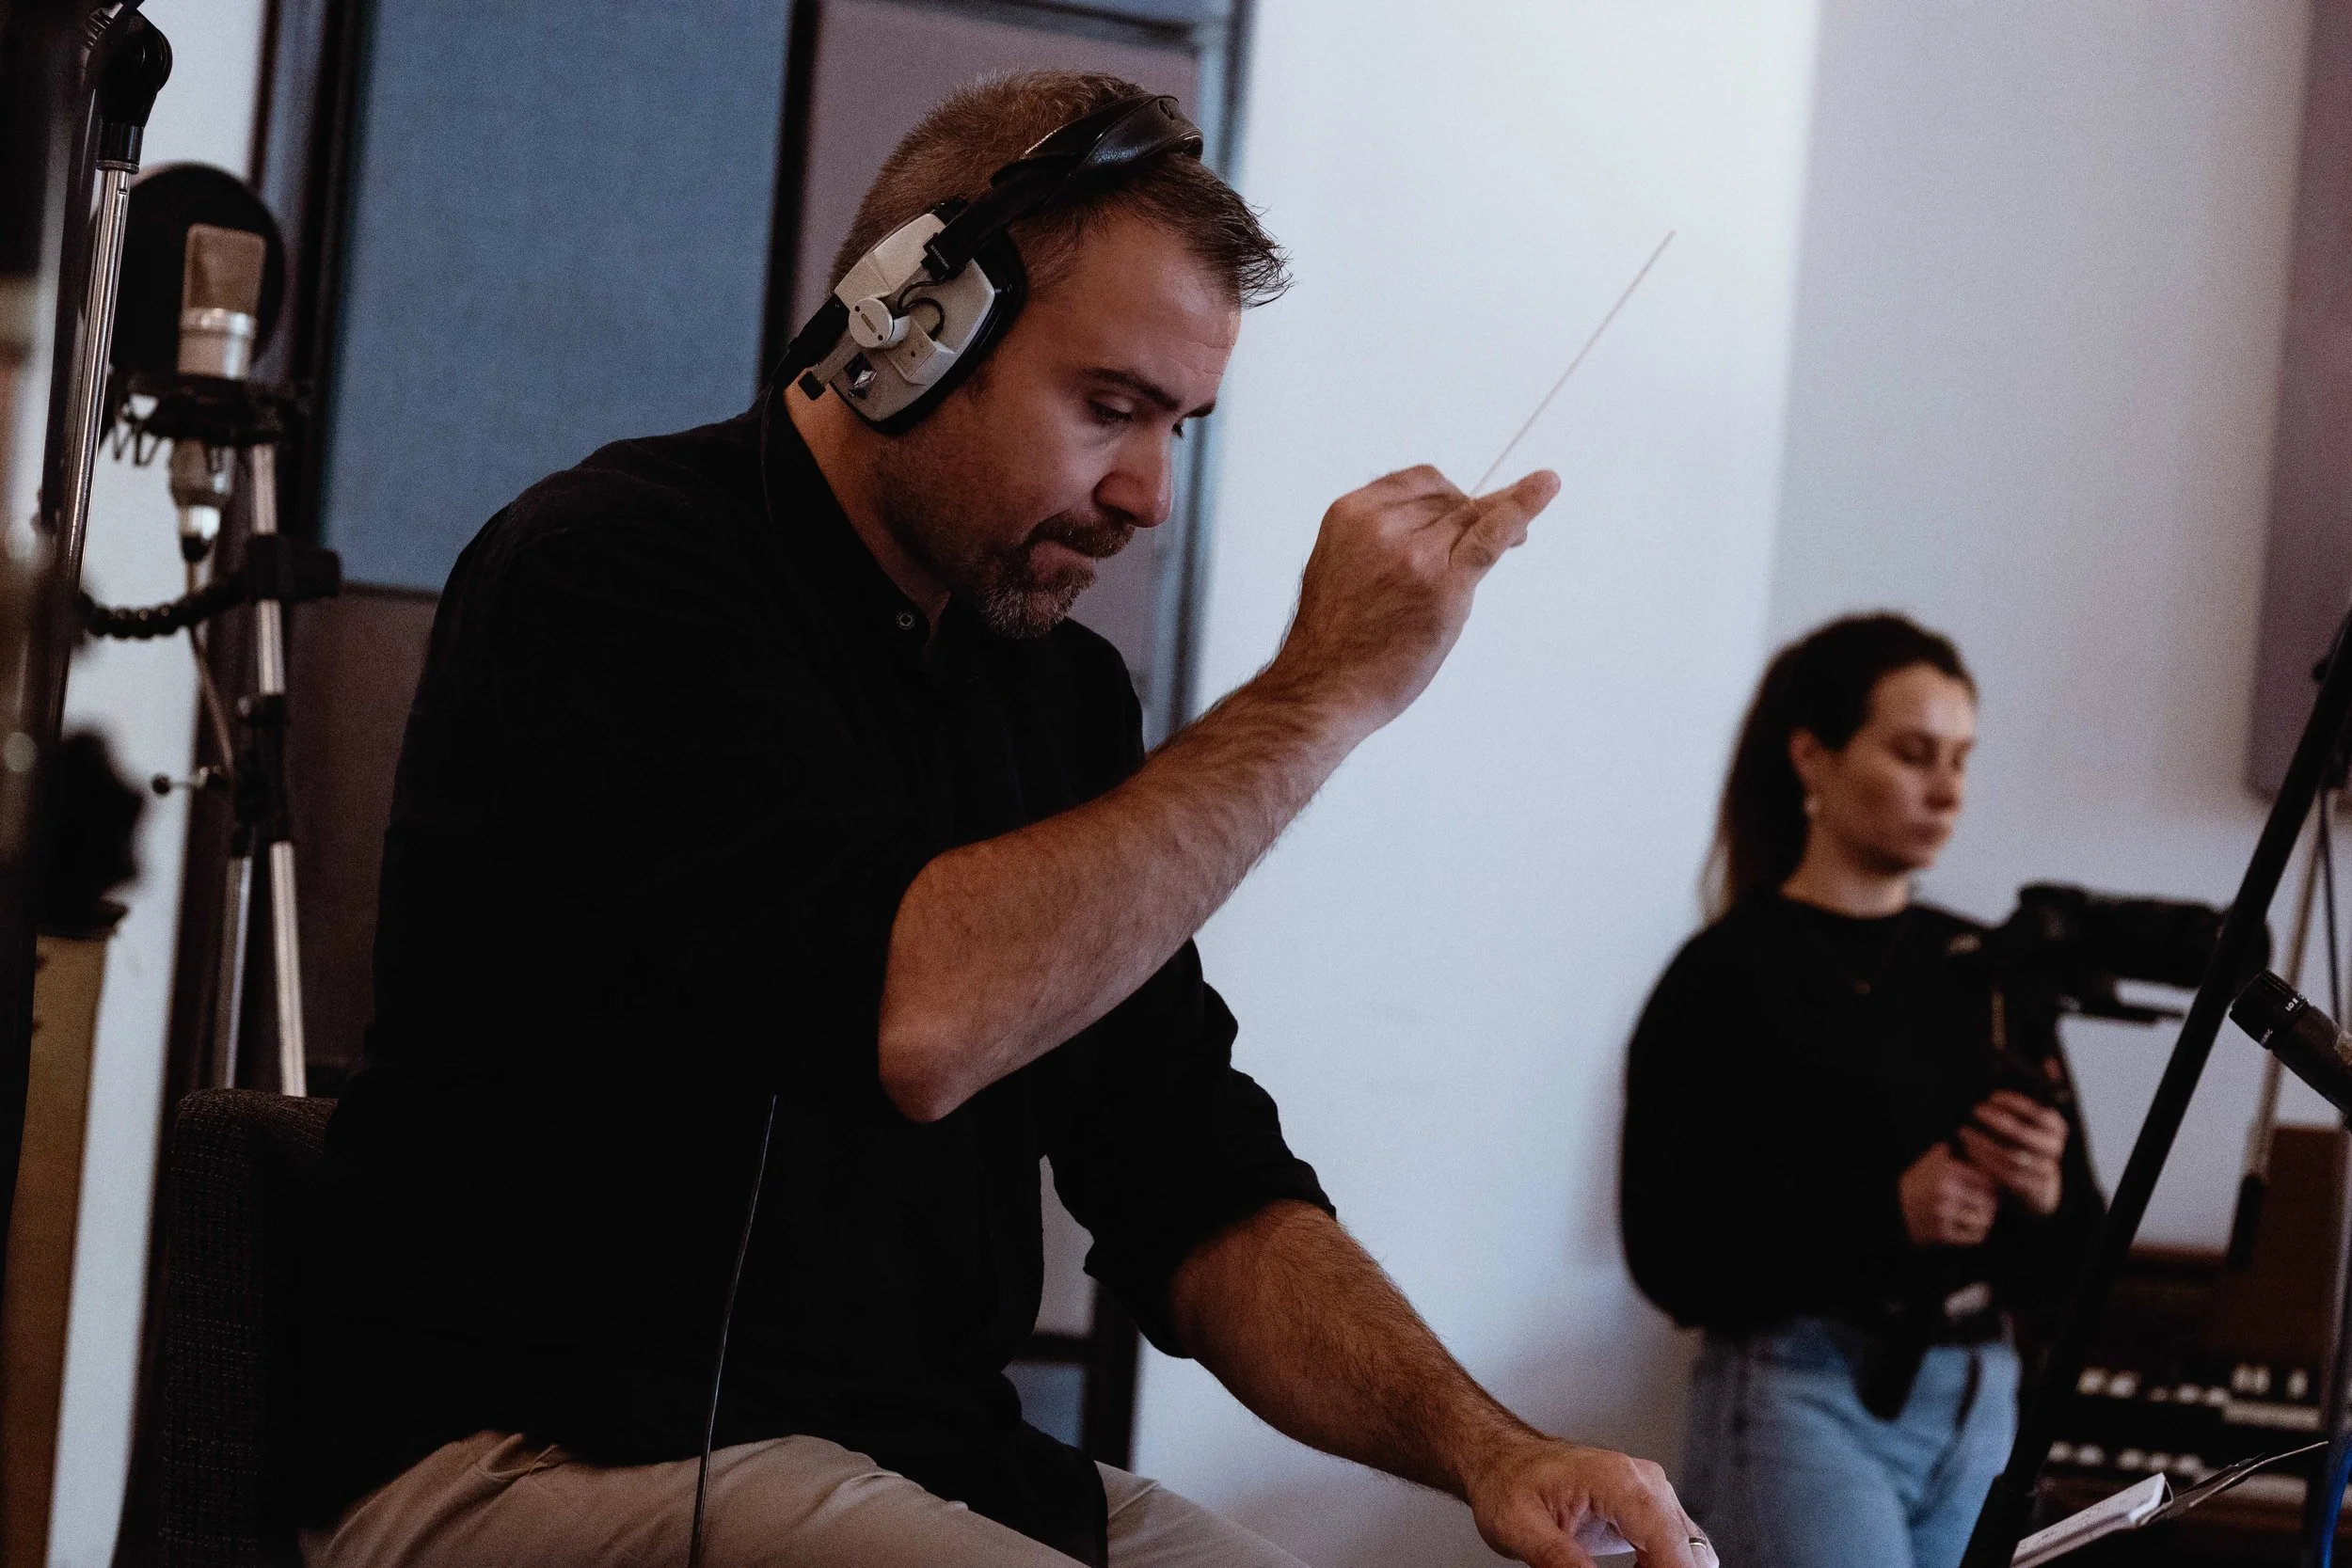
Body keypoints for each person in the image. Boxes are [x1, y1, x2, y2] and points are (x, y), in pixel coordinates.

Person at [295, 71, 1708, 1568]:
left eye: (1183, 425)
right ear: (905, 333)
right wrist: (1318, 696)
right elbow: (916, 1015)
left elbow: (1192, 1179)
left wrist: (1494, 1449)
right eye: (1110, 408)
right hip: (542, 1459)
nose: (1152, 494)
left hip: (936, 1464)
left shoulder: (1059, 696)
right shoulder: (607, 575)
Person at [1619, 613, 2104, 1568]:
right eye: (1914, 753)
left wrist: (2046, 1195)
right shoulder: (1724, 973)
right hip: (1802, 1394)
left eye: (1962, 757)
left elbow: (2074, 1263)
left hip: (1981, 1400)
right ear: (1813, 756)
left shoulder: (1990, 970)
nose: (1947, 788)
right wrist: (1888, 1213)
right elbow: (1669, 1253)